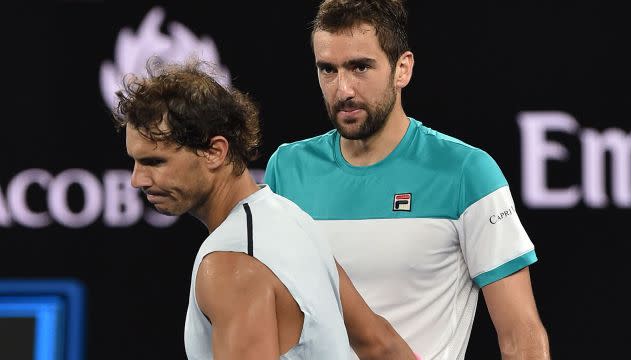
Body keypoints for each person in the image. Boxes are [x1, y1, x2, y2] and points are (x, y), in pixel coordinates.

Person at [264, 0, 550, 359]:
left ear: (403, 69)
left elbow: (520, 337)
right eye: (328, 70)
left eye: (360, 67)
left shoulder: (467, 173)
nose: (343, 89)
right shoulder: (287, 169)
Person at [112, 57, 418, 360]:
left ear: (214, 152)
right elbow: (381, 345)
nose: (137, 180)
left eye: (154, 162)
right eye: (135, 161)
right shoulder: (293, 218)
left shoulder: (230, 266)